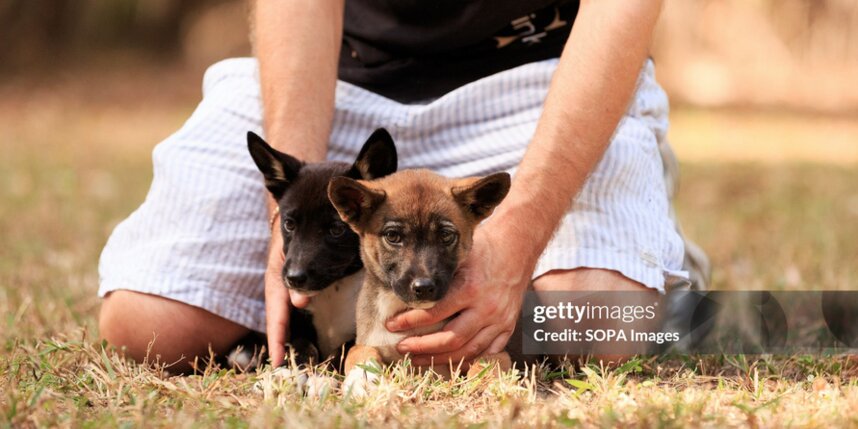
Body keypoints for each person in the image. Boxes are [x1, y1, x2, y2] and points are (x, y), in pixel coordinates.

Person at [98, 0, 708, 373]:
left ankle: (655, 259)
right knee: (144, 324)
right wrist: (292, 204)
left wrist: (522, 231)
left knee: (599, 326)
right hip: (339, 78)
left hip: (539, 79)